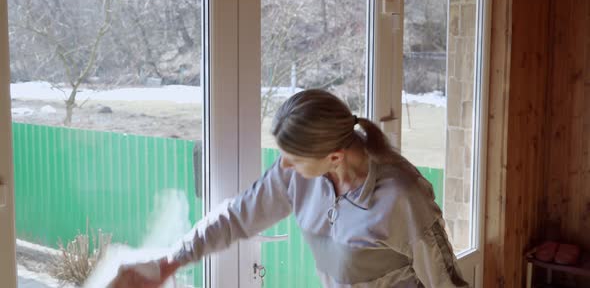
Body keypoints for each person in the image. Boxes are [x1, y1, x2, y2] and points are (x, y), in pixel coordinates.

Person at [111, 89, 469, 288]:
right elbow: (237, 217)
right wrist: (171, 261)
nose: (282, 167)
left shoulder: (401, 197)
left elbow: (446, 282)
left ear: (334, 156)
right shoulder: (298, 174)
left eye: (292, 159)